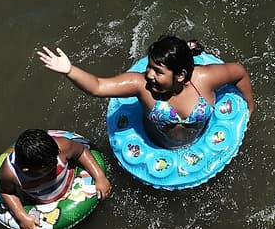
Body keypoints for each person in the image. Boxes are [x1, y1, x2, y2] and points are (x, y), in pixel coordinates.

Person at [36, 36, 255, 149]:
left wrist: (250, 107)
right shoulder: (141, 85)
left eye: (158, 71)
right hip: (159, 144)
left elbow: (239, 72)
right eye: (149, 66)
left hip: (204, 140)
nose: (149, 74)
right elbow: (98, 86)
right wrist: (69, 70)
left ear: (180, 75)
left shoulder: (205, 79)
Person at [0, 129, 112, 229]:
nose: (55, 163)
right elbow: (6, 192)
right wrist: (21, 216)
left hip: (71, 184)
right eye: (49, 166)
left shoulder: (62, 147)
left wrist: (99, 176)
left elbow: (82, 151)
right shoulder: (10, 173)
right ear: (26, 170)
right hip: (39, 200)